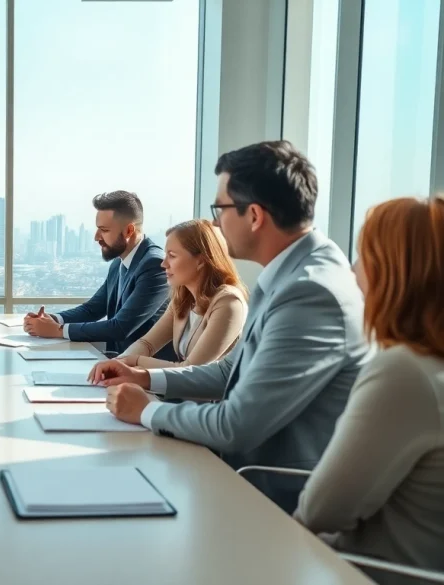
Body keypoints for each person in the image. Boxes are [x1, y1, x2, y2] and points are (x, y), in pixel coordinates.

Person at [91, 141, 369, 512]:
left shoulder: (309, 292)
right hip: (241, 475)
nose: (217, 222)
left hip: (271, 495)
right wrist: (145, 379)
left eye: (219, 208)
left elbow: (237, 424)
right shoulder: (290, 275)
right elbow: (229, 370)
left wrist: (146, 411)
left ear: (254, 215)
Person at [294, 196, 444, 584]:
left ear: (395, 271)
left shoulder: (403, 373)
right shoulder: (427, 367)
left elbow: (320, 511)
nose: (354, 269)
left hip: (364, 571)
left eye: (363, 254)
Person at [23, 190, 172, 357]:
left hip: (146, 372)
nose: (96, 237)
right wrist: (51, 319)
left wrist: (57, 330)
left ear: (129, 230)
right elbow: (92, 309)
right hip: (119, 363)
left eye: (104, 230)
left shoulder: (154, 265)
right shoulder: (120, 261)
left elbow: (121, 327)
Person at [118, 219, 248, 368]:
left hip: (215, 391)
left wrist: (133, 361)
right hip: (186, 390)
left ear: (201, 261)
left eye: (172, 256)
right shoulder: (184, 298)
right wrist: (118, 362)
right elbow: (147, 344)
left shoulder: (229, 302)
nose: (163, 264)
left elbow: (191, 370)